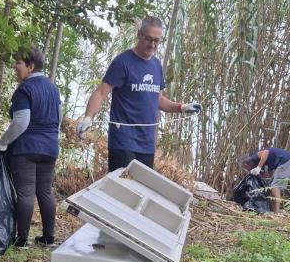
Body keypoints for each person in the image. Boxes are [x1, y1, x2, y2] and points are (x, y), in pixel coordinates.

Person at [76, 16, 201, 171]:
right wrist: (88, 117)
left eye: (157, 40)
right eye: (148, 39)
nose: (152, 44)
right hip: (123, 142)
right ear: (139, 34)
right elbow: (101, 93)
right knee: (122, 191)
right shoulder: (123, 62)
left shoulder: (156, 66)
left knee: (141, 191)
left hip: (147, 144)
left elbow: (158, 99)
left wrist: (182, 107)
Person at [0, 49, 62, 249]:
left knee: (25, 193)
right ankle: (48, 238)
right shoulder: (53, 89)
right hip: (49, 147)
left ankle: (21, 240)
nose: (15, 67)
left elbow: (21, 122)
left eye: (19, 64)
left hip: (26, 148)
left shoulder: (24, 90)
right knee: (45, 192)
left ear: (31, 66)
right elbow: (58, 119)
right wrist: (49, 139)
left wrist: (2, 142)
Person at [240, 147, 290, 214]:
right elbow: (263, 176)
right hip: (284, 162)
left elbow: (266, 152)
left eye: (245, 168)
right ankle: (274, 211)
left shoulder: (254, 157)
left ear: (246, 165)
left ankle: (277, 213)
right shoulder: (256, 165)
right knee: (270, 188)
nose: (247, 171)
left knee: (276, 187)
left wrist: (259, 167)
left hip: (286, 160)